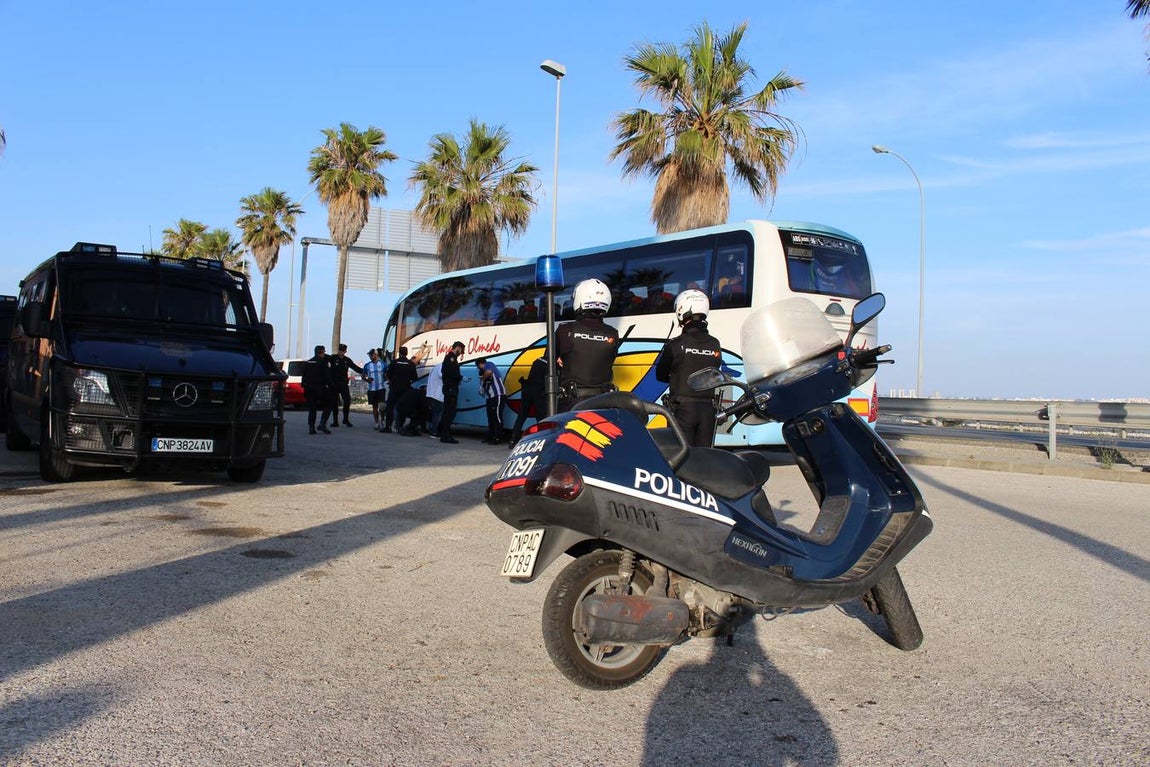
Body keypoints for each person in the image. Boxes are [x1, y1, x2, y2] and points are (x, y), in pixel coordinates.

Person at [654, 290, 723, 448]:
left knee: (681, 455)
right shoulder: (715, 344)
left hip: (683, 409)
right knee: (704, 457)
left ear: (681, 311)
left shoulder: (676, 344)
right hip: (708, 410)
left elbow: (661, 374)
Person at [555, 278, 619, 412]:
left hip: (572, 404)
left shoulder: (565, 329)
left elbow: (549, 365)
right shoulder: (613, 333)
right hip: (603, 403)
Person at [509, 354, 548, 446]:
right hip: (538, 391)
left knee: (521, 416)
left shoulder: (537, 360)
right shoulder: (551, 363)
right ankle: (541, 439)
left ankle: (513, 440)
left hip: (527, 389)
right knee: (541, 416)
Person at [328, 343, 367, 427]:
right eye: (340, 350)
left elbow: (355, 368)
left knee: (347, 401)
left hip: (343, 384)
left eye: (342, 351)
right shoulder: (333, 358)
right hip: (334, 384)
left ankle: (345, 419)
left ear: (345, 351)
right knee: (334, 403)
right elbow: (323, 359)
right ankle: (335, 421)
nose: (341, 352)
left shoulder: (347, 360)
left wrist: (366, 371)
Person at [382, 345, 417, 433]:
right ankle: (400, 426)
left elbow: (388, 375)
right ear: (407, 353)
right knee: (403, 408)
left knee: (390, 407)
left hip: (394, 388)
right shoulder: (411, 364)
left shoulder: (394, 362)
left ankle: (388, 426)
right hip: (405, 389)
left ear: (399, 353)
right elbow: (415, 378)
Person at [301, 344, 334, 435]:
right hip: (320, 389)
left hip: (309, 389)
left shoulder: (308, 362)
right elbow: (327, 377)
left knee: (312, 409)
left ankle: (311, 427)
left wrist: (305, 387)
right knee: (328, 405)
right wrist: (332, 387)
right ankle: (322, 423)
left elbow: (304, 377)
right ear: (322, 352)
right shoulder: (323, 363)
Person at [475, 357, 507, 444]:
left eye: (479, 367)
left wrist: (483, 379)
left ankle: (498, 437)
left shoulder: (489, 364)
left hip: (498, 395)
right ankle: (491, 436)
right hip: (490, 397)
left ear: (481, 364)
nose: (480, 369)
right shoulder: (482, 374)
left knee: (497, 416)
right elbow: (482, 388)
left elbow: (488, 372)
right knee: (490, 417)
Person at [438, 341, 465, 444]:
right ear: (457, 348)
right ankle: (446, 435)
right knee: (449, 413)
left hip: (449, 388)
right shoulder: (451, 358)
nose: (461, 353)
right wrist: (460, 377)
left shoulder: (450, 358)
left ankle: (445, 434)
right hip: (451, 389)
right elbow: (453, 374)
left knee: (448, 412)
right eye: (461, 350)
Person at [362, 348, 387, 430]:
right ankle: (376, 423)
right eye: (369, 355)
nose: (370, 356)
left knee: (382, 406)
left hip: (381, 388)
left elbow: (387, 374)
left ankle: (382, 420)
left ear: (376, 354)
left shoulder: (383, 364)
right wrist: (367, 379)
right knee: (374, 407)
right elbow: (363, 376)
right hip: (372, 389)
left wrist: (387, 379)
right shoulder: (367, 365)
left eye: (372, 354)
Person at [424, 359, 444, 438]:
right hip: (437, 395)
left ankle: (431, 429)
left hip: (431, 393)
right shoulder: (442, 366)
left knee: (433, 413)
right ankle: (434, 432)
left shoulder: (435, 367)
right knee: (437, 414)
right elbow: (441, 375)